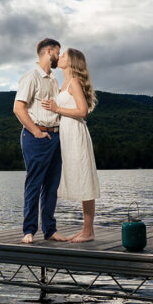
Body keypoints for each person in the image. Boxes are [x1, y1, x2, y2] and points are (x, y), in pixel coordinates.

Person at [41, 48, 100, 243]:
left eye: (64, 55)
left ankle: (88, 231)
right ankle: (86, 230)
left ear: (72, 62)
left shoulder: (74, 82)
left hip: (76, 133)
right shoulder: (62, 84)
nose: (60, 57)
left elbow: (83, 111)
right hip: (64, 134)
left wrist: (57, 108)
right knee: (76, 177)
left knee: (84, 178)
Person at [13, 38, 66, 244]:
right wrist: (36, 132)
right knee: (34, 184)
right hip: (37, 136)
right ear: (49, 51)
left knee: (52, 186)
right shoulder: (31, 76)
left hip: (55, 136)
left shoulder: (53, 79)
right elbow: (18, 108)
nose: (59, 57)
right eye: (58, 53)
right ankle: (29, 230)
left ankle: (50, 230)